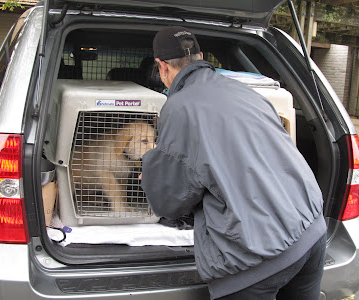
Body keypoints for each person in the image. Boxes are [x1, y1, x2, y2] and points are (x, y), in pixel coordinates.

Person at [140, 26, 327, 300]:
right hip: (312, 231)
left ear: (161, 66)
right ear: (201, 56)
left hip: (258, 255)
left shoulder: (179, 107)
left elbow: (170, 201)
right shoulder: (245, 92)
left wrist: (150, 173)